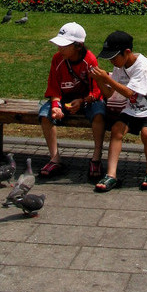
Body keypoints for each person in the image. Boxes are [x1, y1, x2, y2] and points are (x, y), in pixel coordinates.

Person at [89, 30, 147, 192]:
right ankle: (111, 174)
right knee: (116, 130)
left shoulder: (142, 66)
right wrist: (99, 81)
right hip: (133, 108)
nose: (112, 61)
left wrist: (106, 79)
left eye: (114, 57)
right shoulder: (121, 65)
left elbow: (130, 93)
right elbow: (109, 93)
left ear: (127, 52)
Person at [38, 22, 106, 180]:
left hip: (86, 100)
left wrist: (82, 101)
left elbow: (96, 91)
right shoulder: (57, 59)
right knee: (44, 115)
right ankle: (54, 158)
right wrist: (55, 106)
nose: (59, 49)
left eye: (64, 46)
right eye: (59, 45)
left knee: (99, 114)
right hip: (65, 99)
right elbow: (53, 87)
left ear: (78, 46)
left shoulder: (89, 60)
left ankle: (96, 157)